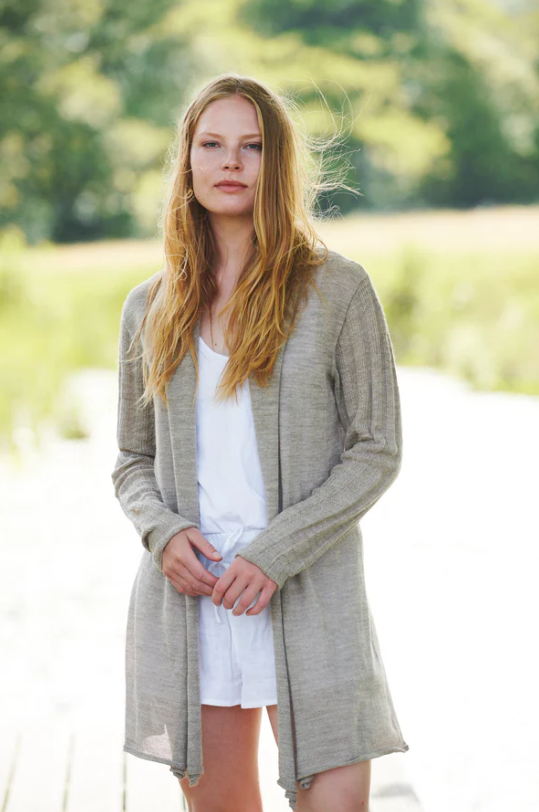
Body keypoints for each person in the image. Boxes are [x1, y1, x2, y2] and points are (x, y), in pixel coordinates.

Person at [112, 73, 409, 812]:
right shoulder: (149, 306)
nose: (230, 162)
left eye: (252, 147)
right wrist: (161, 532)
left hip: (309, 594)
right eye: (211, 144)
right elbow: (132, 460)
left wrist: (274, 554)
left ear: (277, 163)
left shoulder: (338, 290)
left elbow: (376, 447)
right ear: (187, 160)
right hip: (195, 602)